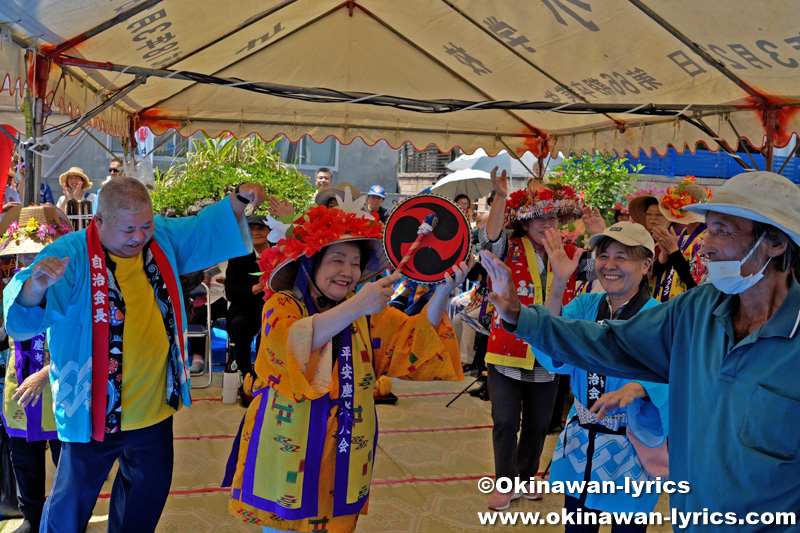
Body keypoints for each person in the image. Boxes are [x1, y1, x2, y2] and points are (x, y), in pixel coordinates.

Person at [481, 170, 800, 530]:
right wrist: (518, 315)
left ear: (775, 243)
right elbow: (608, 342)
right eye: (708, 228)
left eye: (723, 230)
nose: (706, 245)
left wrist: (639, 389)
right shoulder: (695, 311)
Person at [3, 177, 265, 532]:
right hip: (92, 410)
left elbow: (202, 228)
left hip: (153, 408)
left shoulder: (161, 239)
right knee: (69, 508)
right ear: (99, 222)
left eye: (146, 225)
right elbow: (24, 315)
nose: (139, 237)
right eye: (128, 228)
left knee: (142, 507)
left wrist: (238, 201)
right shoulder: (71, 253)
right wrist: (35, 286)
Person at [226, 197, 466, 532]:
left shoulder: (364, 310)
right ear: (310, 263)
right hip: (288, 442)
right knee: (285, 523)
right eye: (337, 260)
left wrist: (442, 293)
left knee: (337, 519)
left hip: (346, 441)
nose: (348, 272)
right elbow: (290, 344)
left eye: (355, 263)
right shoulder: (283, 304)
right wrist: (356, 308)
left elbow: (409, 342)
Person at [537, 221, 668, 531]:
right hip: (582, 439)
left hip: (633, 446)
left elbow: (679, 375)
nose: (610, 265)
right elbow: (553, 351)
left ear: (646, 264)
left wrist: (638, 388)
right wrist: (558, 282)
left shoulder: (661, 317)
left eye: (622, 257)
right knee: (578, 526)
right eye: (604, 255)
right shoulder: (585, 305)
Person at [479, 167, 582, 511]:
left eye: (553, 218)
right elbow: (490, 239)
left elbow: (601, 269)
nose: (547, 225)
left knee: (539, 423)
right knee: (506, 421)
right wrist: (501, 196)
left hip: (550, 350)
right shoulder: (510, 246)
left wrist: (597, 234)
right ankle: (504, 482)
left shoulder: (567, 252)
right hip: (506, 348)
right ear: (525, 223)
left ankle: (525, 477)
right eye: (539, 218)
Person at [0, 206, 71, 533]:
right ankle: (31, 516)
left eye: (39, 252)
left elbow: (83, 342)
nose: (31, 260)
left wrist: (46, 373)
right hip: (19, 387)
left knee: (68, 463)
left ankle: (67, 517)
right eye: (25, 254)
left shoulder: (71, 289)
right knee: (24, 459)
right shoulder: (11, 287)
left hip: (62, 385)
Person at [224, 214, 270, 405]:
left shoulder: (280, 253)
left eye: (261, 228)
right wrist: (256, 288)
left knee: (271, 330)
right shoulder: (238, 256)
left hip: (273, 307)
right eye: (251, 229)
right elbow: (231, 292)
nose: (256, 232)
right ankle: (247, 377)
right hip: (244, 307)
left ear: (269, 232)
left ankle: (264, 377)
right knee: (239, 326)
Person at [649, 177, 711, 302]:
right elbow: (653, 273)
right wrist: (664, 256)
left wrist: (673, 251)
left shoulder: (707, 239)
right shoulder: (680, 234)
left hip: (686, 307)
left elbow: (695, 282)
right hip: (663, 304)